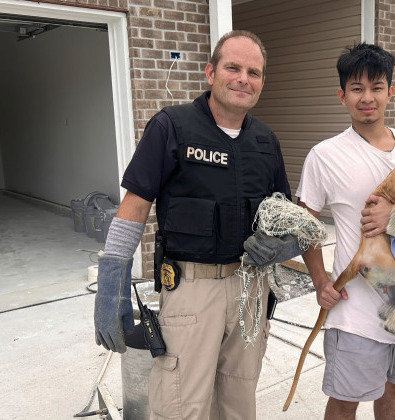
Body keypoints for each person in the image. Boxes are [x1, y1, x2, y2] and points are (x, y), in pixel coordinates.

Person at [93, 30, 291, 420]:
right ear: (210, 73)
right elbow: (134, 205)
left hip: (251, 291)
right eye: (232, 67)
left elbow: (286, 216)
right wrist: (111, 282)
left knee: (239, 402)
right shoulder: (172, 127)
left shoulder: (266, 142)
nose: (243, 79)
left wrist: (282, 246)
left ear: (262, 83)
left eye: (254, 72)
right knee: (181, 406)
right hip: (192, 291)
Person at [296, 43, 395, 419]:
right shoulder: (325, 155)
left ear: (390, 92)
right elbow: (304, 223)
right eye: (357, 88)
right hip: (355, 309)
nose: (368, 98)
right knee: (346, 401)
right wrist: (320, 281)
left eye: (377, 87)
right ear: (342, 95)